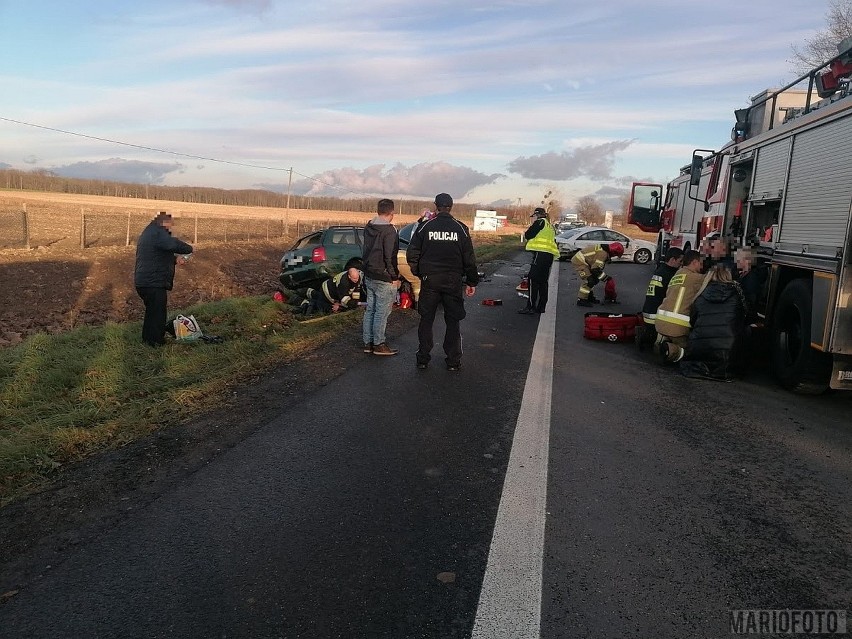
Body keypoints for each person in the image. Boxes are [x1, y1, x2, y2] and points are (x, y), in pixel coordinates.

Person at [406, 192, 478, 371]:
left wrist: (419, 272)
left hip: (430, 280)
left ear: (435, 206)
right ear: (451, 207)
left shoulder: (425, 227)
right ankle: (453, 361)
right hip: (453, 281)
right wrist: (471, 281)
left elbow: (412, 253)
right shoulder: (460, 228)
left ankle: (423, 358)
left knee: (426, 319)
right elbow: (469, 258)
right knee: (453, 321)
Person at [134, 211, 193, 347]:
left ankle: (148, 340)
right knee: (158, 313)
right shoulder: (157, 232)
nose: (170, 229)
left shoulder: (149, 232)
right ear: (164, 222)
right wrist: (189, 248)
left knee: (152, 312)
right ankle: (156, 342)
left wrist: (174, 259)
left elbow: (156, 255)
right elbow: (171, 244)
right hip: (153, 281)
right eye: (169, 225)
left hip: (145, 280)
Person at [680, 264, 747, 381]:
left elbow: (693, 320)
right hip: (726, 359)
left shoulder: (701, 295)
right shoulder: (737, 294)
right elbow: (744, 318)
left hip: (698, 353)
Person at [362, 199, 401, 355]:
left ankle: (368, 342)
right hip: (384, 277)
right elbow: (390, 256)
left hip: (369, 273)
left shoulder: (369, 226)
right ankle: (379, 344)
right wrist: (394, 277)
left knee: (370, 310)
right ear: (391, 213)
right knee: (381, 312)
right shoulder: (389, 231)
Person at [654, 250, 706, 363]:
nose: (702, 266)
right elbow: (713, 279)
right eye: (701, 263)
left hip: (661, 322)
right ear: (695, 262)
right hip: (678, 327)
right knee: (691, 354)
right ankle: (670, 350)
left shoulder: (677, 274)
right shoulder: (696, 278)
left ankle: (662, 343)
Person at [637, 247, 684, 349]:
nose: (681, 264)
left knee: (650, 333)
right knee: (656, 340)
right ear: (672, 260)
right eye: (680, 261)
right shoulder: (669, 275)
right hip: (655, 314)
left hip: (648, 310)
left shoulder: (660, 270)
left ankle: (645, 338)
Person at [518, 207, 561, 314]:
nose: (533, 219)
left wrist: (531, 226)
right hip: (549, 256)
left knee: (532, 279)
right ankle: (541, 307)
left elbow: (528, 235)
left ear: (537, 215)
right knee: (543, 281)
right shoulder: (550, 226)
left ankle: (531, 307)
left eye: (533, 216)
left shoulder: (539, 222)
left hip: (540, 254)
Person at [299, 258, 365, 315]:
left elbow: (356, 290)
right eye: (354, 279)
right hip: (327, 292)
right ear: (349, 276)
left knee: (318, 297)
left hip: (335, 290)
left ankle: (307, 292)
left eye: (357, 278)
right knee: (326, 308)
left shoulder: (357, 276)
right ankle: (308, 302)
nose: (356, 280)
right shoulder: (343, 283)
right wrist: (355, 304)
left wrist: (356, 301)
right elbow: (345, 300)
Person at [572, 242, 624, 307]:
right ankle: (581, 300)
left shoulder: (604, 250)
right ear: (613, 252)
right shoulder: (603, 254)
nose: (614, 256)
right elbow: (595, 269)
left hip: (585, 261)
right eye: (615, 255)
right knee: (589, 280)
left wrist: (601, 277)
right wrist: (606, 278)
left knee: (595, 279)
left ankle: (589, 297)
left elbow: (596, 269)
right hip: (579, 262)